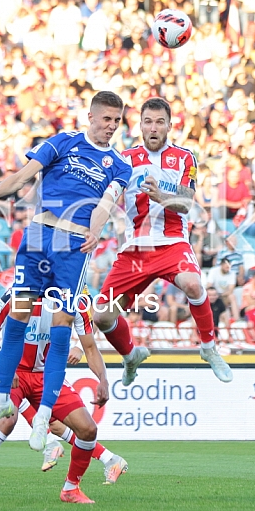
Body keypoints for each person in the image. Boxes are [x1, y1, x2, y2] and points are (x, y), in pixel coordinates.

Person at [0, 91, 132, 451]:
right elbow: (24, 176)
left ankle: (44, 416)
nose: (112, 127)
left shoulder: (119, 165)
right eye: (106, 119)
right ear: (91, 116)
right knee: (18, 319)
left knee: (60, 329)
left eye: (117, 121)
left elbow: (106, 202)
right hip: (38, 235)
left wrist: (97, 228)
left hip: (73, 247)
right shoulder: (63, 142)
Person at [89, 97, 232, 387]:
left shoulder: (184, 157)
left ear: (169, 125)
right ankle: (130, 355)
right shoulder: (123, 159)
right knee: (102, 317)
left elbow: (187, 203)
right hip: (135, 251)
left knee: (193, 284)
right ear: (140, 125)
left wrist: (161, 197)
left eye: (159, 122)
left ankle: (208, 347)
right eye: (148, 122)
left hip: (172, 242)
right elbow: (107, 200)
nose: (153, 128)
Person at [0, 290, 114, 505]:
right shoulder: (17, 295)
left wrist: (103, 379)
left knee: (88, 428)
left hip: (47, 375)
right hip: (15, 372)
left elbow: (90, 347)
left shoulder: (74, 301)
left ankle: (71, 489)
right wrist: (5, 366)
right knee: (7, 420)